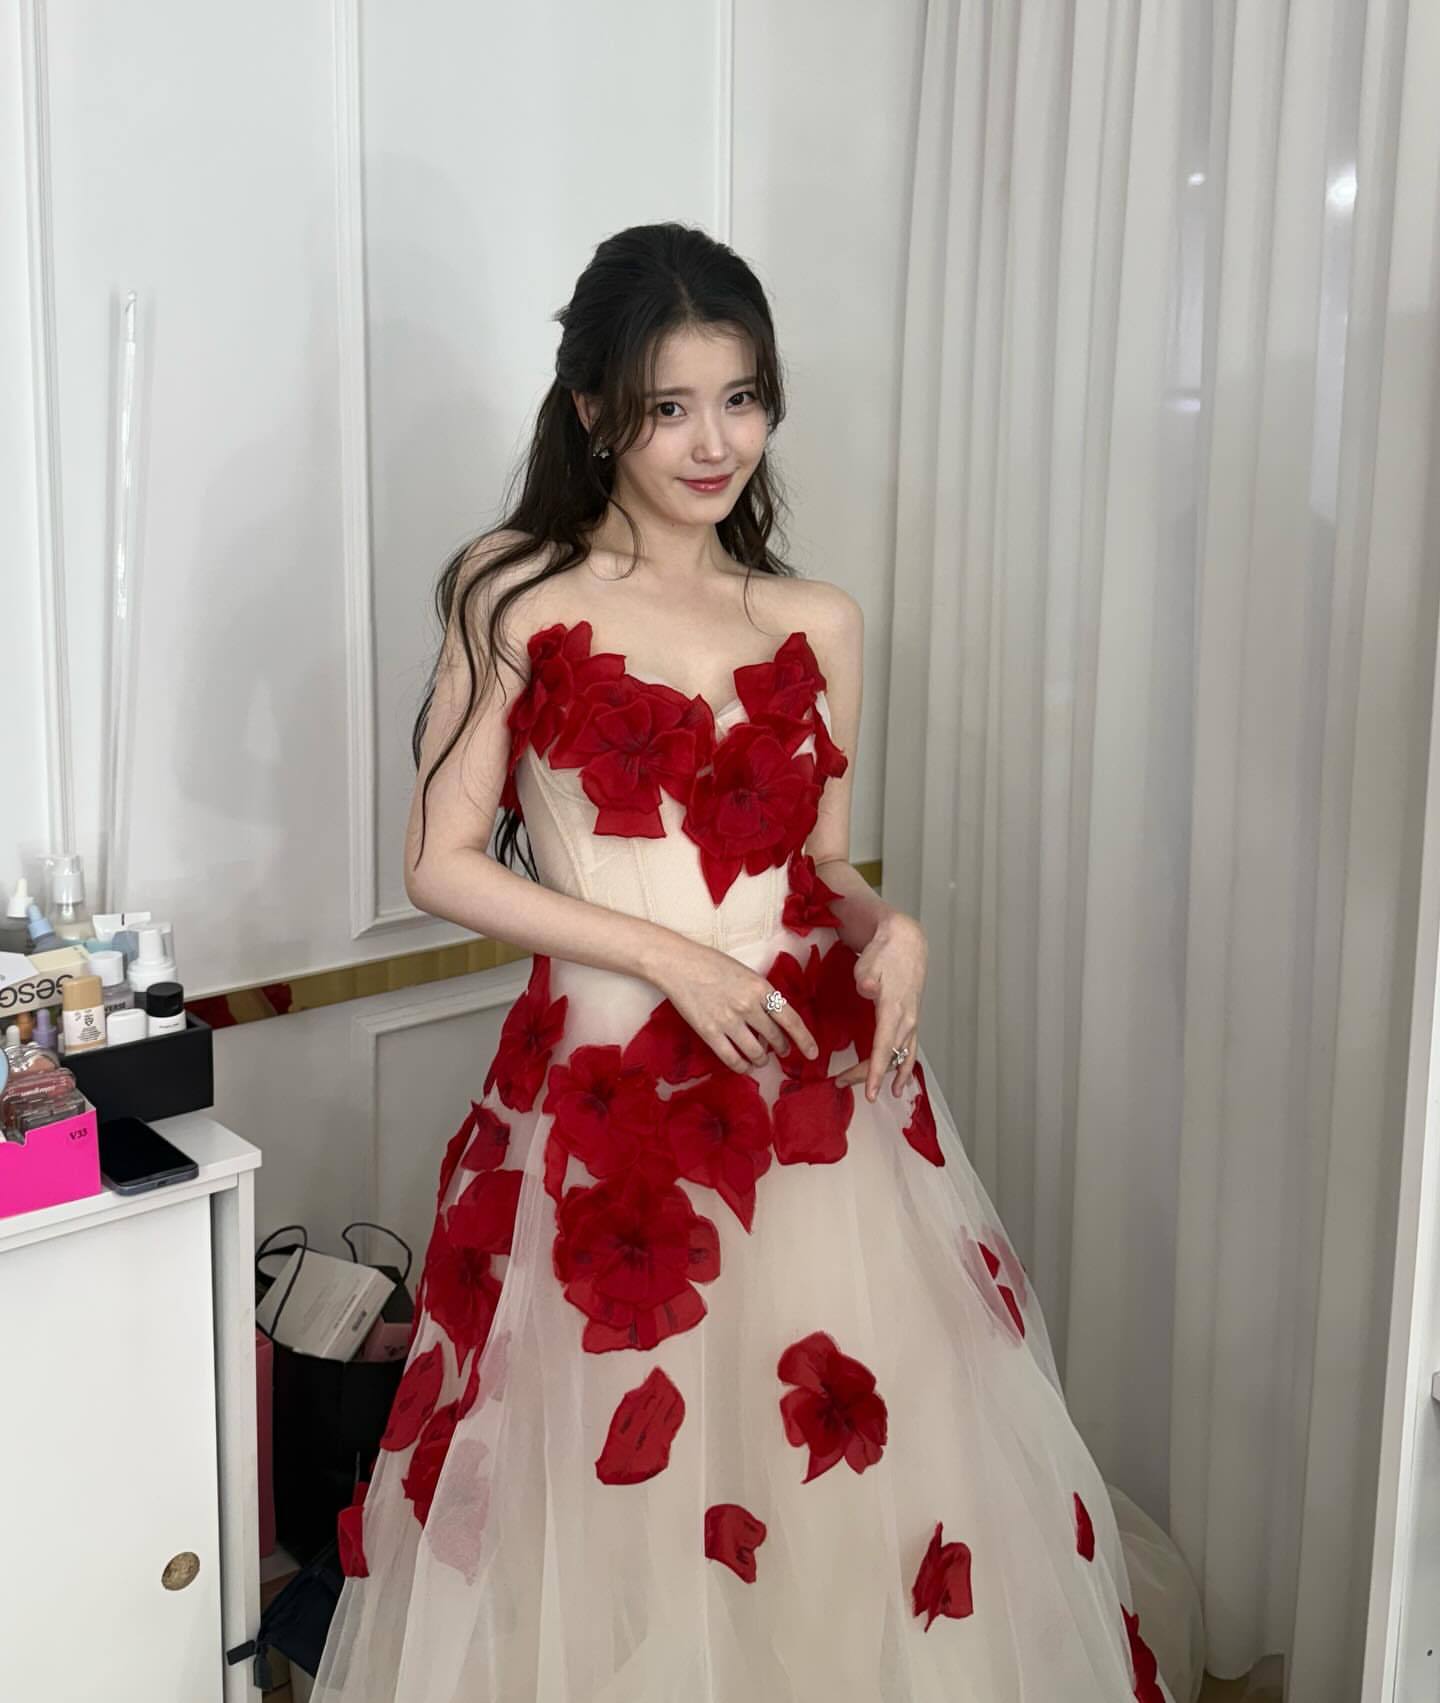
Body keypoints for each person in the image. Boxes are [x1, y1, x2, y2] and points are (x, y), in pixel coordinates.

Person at [312, 222, 1175, 1702]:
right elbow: (439, 861)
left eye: (742, 398)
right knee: (600, 1482)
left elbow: (818, 866)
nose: (714, 443)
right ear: (593, 409)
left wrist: (891, 928)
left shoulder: (816, 619)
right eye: (670, 407)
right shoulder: (513, 591)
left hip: (803, 1091)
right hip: (602, 1095)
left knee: (835, 1476)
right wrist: (673, 959)